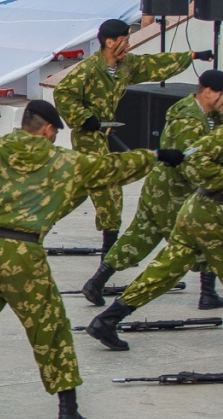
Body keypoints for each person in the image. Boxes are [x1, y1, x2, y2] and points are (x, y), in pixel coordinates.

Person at [0, 101, 183, 419]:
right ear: (49, 130)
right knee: (49, 330)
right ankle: (69, 414)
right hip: (24, 253)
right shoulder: (63, 162)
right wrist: (155, 156)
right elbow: (113, 168)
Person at [53, 18, 208, 254]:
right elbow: (63, 93)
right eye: (123, 41)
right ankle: (110, 249)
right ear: (109, 42)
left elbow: (154, 63)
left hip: (105, 134)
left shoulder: (126, 66)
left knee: (78, 191)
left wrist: (192, 56)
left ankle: (36, 221)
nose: (128, 45)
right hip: (88, 137)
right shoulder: (88, 69)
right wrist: (84, 118)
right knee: (108, 186)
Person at [82, 70, 223, 309]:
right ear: (208, 92)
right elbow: (191, 165)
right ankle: (207, 293)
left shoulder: (208, 115)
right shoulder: (188, 120)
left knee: (139, 237)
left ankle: (97, 281)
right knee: (204, 237)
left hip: (160, 188)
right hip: (175, 193)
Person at [86, 125, 223, 351]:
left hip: (198, 213)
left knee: (163, 273)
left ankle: (107, 320)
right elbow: (194, 158)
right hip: (211, 217)